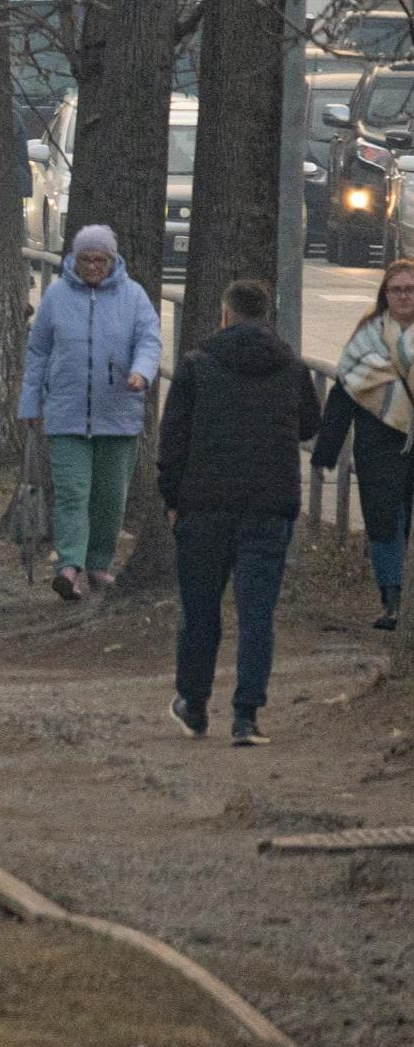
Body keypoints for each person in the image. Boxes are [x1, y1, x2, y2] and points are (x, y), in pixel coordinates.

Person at [158, 278, 319, 746]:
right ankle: (246, 715)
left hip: (204, 507)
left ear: (225, 314)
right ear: (266, 316)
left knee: (201, 610)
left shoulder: (197, 365)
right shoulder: (290, 367)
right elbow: (310, 423)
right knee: (257, 613)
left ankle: (194, 704)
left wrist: (172, 498)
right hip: (269, 505)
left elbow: (173, 440)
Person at [18, 223, 164, 599]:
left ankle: (99, 563)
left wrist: (141, 373)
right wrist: (31, 402)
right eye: (87, 259)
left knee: (110, 497)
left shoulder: (133, 297)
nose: (94, 266)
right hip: (65, 414)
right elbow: (38, 352)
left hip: (118, 413)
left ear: (113, 260)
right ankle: (69, 566)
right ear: (74, 259)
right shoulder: (56, 296)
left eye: (101, 259)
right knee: (72, 492)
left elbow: (149, 340)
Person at [317, 257, 414, 633]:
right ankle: (391, 598)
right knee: (384, 522)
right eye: (397, 290)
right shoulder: (366, 336)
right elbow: (343, 393)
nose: (404, 296)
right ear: (384, 294)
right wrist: (325, 452)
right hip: (378, 444)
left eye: (410, 289)